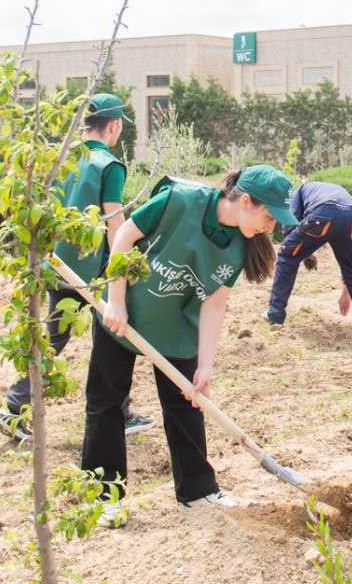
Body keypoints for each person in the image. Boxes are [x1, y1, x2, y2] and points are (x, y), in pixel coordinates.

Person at [83, 165, 297, 528]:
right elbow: (122, 239)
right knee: (106, 403)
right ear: (245, 201)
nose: (271, 227)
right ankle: (103, 497)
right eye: (268, 216)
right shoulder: (178, 200)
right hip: (125, 313)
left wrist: (206, 366)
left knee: (185, 404)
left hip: (176, 327)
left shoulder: (239, 244)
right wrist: (116, 298)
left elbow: (214, 303)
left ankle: (197, 492)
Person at [0, 93, 156, 442]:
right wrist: (119, 274)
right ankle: (117, 413)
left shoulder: (60, 159)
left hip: (54, 264)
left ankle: (13, 408)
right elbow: (114, 223)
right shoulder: (108, 166)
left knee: (52, 337)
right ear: (114, 126)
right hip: (92, 271)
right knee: (114, 336)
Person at [265, 181, 352, 341]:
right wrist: (345, 291)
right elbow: (349, 267)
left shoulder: (297, 193)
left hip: (325, 214)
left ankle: (275, 316)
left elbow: (291, 225)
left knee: (286, 255)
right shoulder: (330, 190)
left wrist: (300, 252)